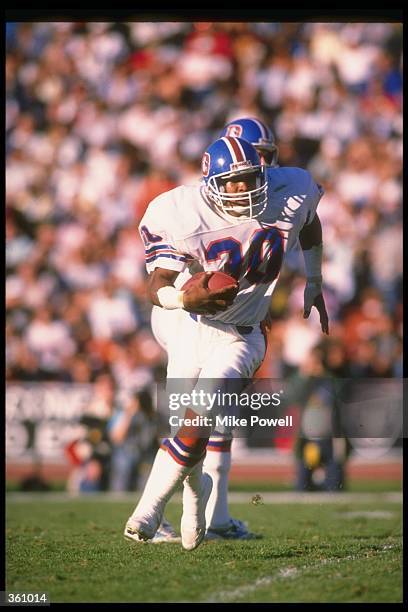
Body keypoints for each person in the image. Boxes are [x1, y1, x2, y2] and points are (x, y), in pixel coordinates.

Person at [124, 134, 328, 551]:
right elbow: (155, 285)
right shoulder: (178, 210)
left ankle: (148, 509)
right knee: (191, 428)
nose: (243, 188)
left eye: (250, 177)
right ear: (210, 181)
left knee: (203, 416)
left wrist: (316, 278)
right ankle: (197, 498)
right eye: (232, 181)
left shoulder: (291, 188)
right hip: (186, 322)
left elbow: (309, 221)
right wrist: (184, 297)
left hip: (243, 334)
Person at [148, 117, 283, 543]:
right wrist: (191, 299)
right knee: (194, 414)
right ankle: (167, 514)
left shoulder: (275, 197)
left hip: (226, 317)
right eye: (253, 160)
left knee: (215, 415)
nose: (258, 172)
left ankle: (217, 516)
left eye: (264, 161)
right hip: (186, 314)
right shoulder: (191, 206)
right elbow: (168, 277)